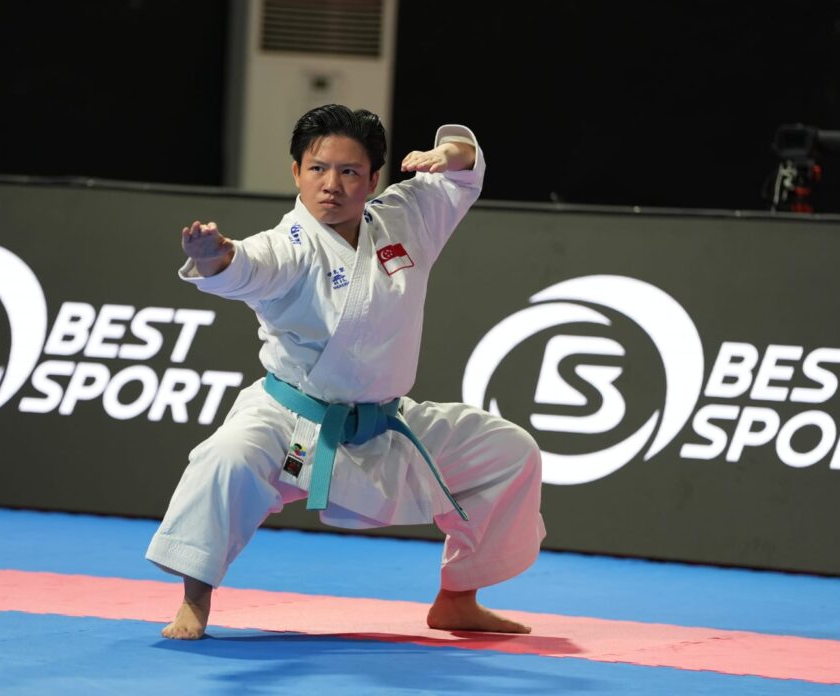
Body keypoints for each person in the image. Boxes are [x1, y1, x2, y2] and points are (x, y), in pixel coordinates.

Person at [147, 104, 546, 640]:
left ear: (373, 179)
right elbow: (244, 266)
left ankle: (457, 599)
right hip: (293, 425)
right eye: (317, 169)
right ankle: (194, 603)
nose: (331, 185)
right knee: (226, 458)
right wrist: (213, 256)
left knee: (508, 451)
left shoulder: (405, 217)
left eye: (349, 171)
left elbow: (464, 171)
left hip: (385, 423)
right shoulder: (286, 245)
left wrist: (447, 152)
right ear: (296, 173)